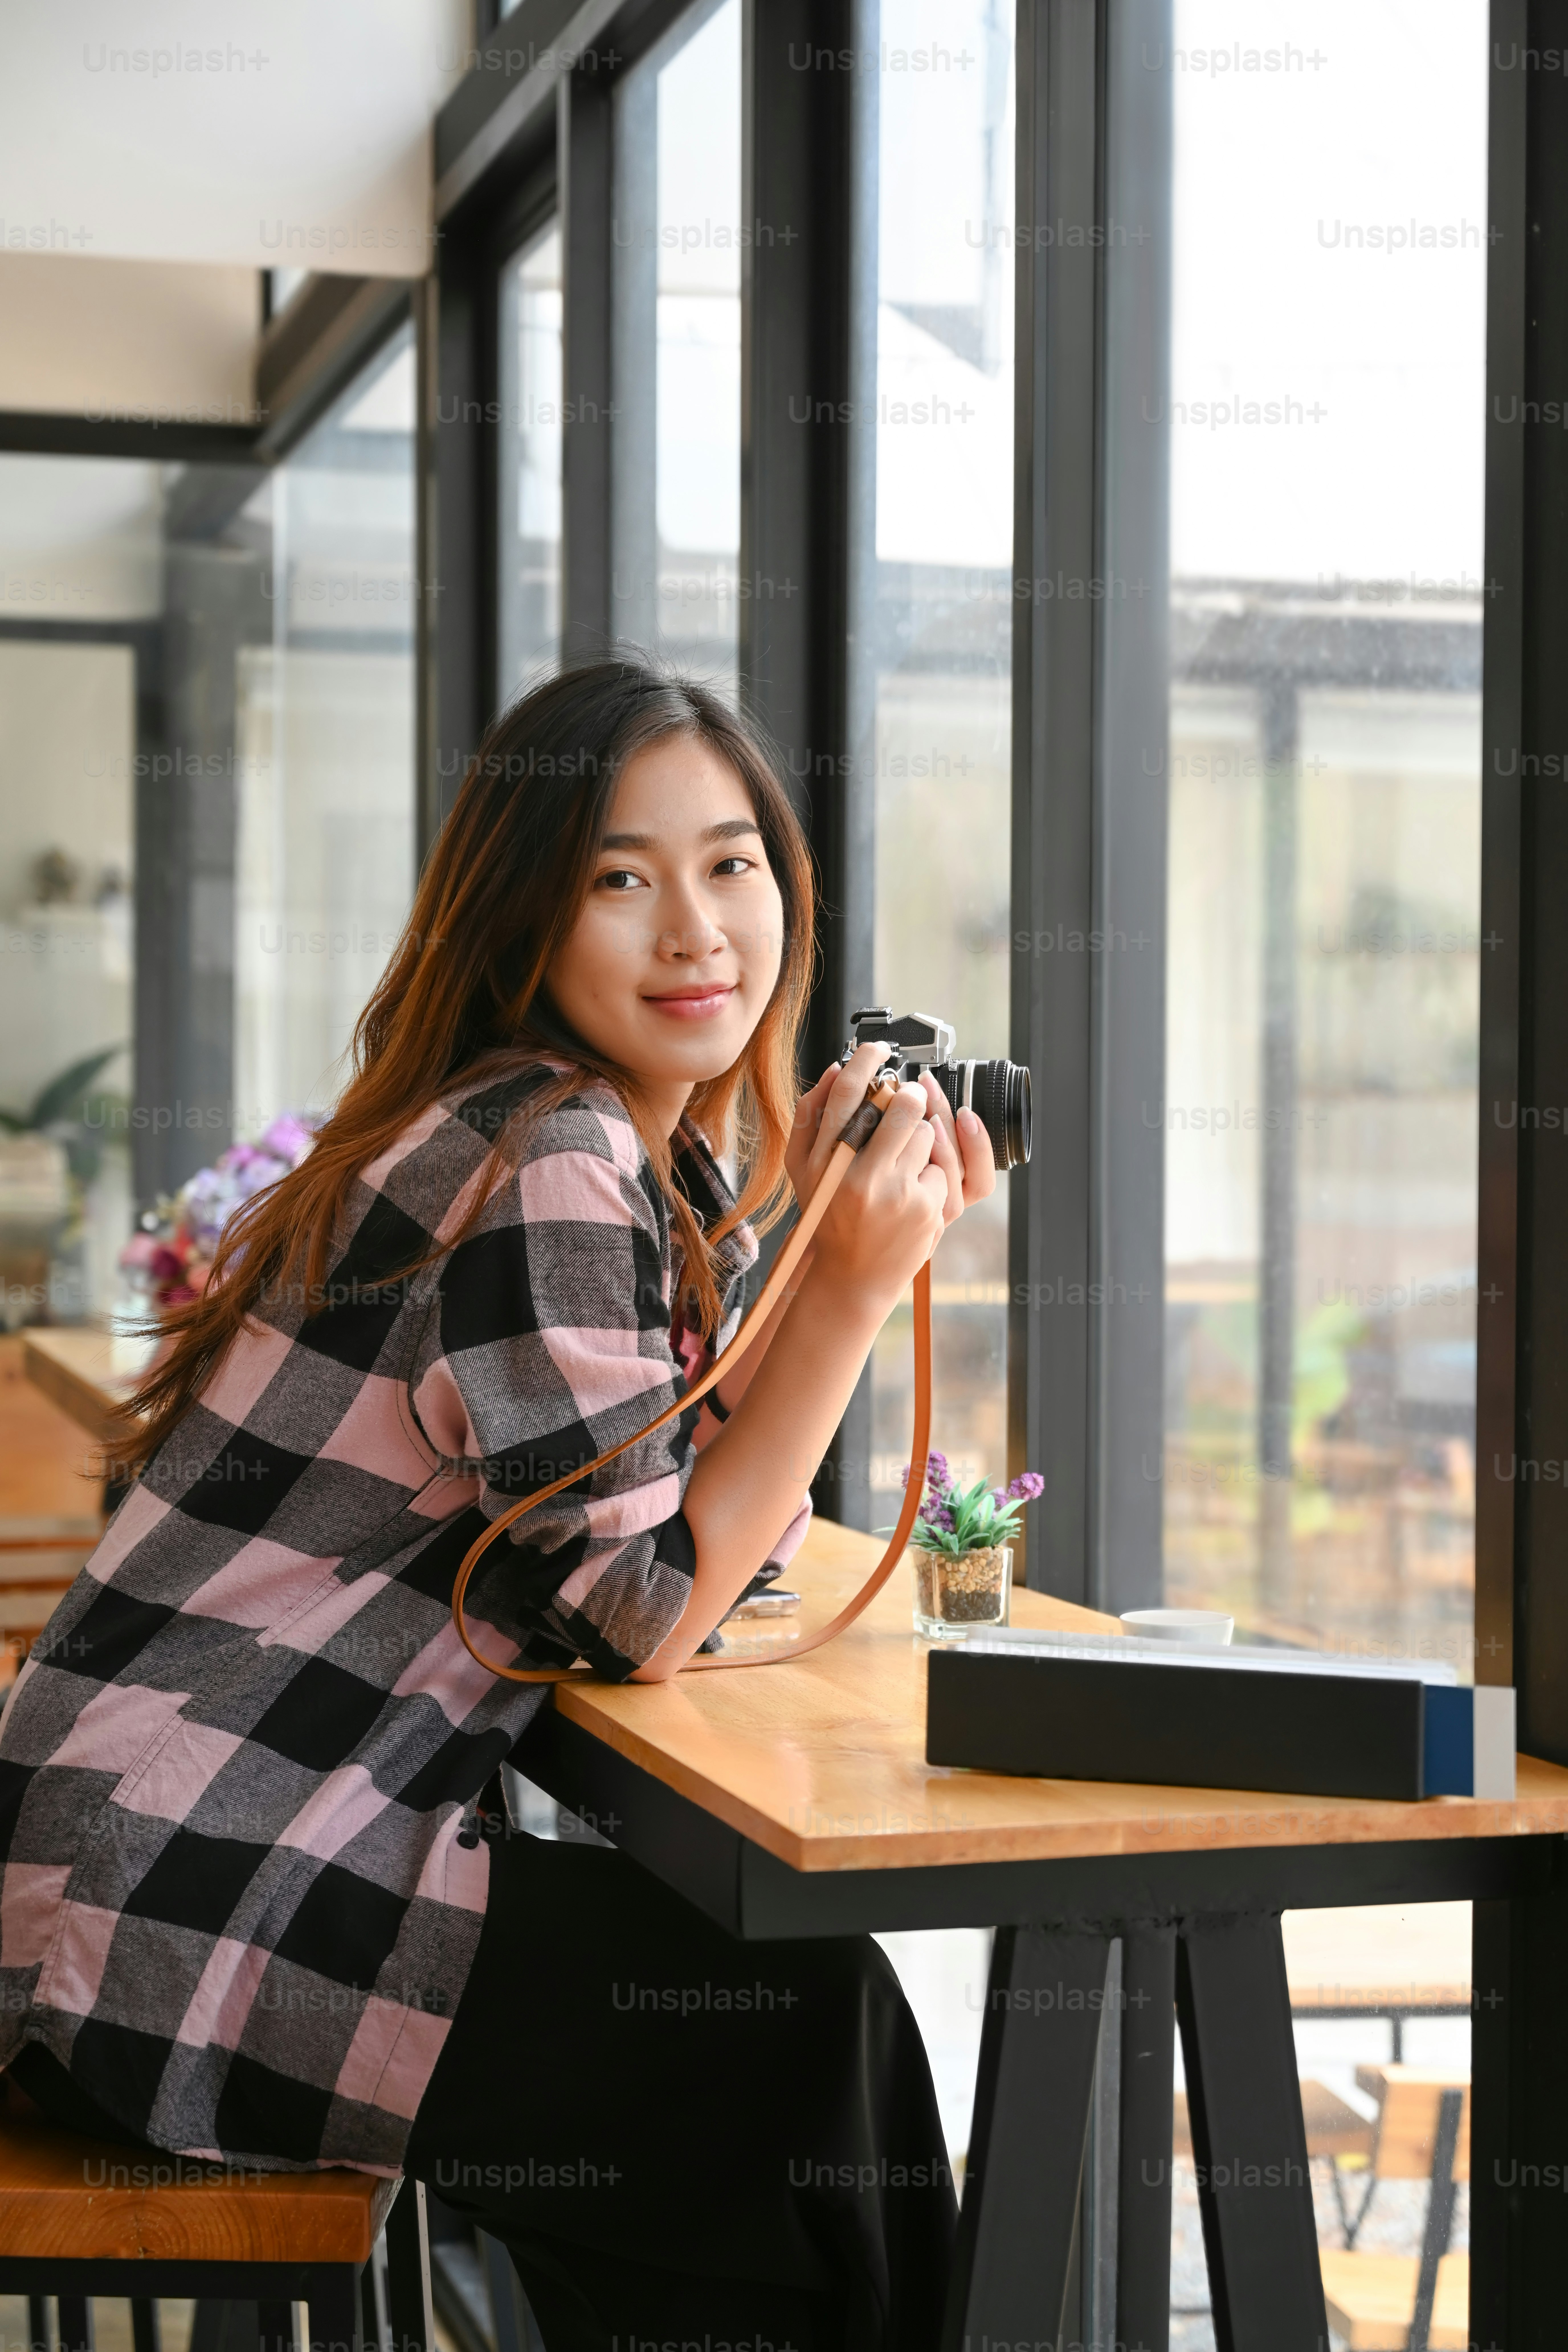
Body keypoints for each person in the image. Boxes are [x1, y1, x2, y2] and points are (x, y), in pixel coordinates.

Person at [0, 659, 996, 2351]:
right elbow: (640, 1612)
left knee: (787, 2048)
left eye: (732, 864)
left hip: (144, 1854)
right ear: (524, 916)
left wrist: (810, 1246)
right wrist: (843, 1291)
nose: (695, 931)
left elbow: (657, 1511)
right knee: (792, 2037)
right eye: (620, 878)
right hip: (173, 1897)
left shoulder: (607, 1147)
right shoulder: (554, 1149)